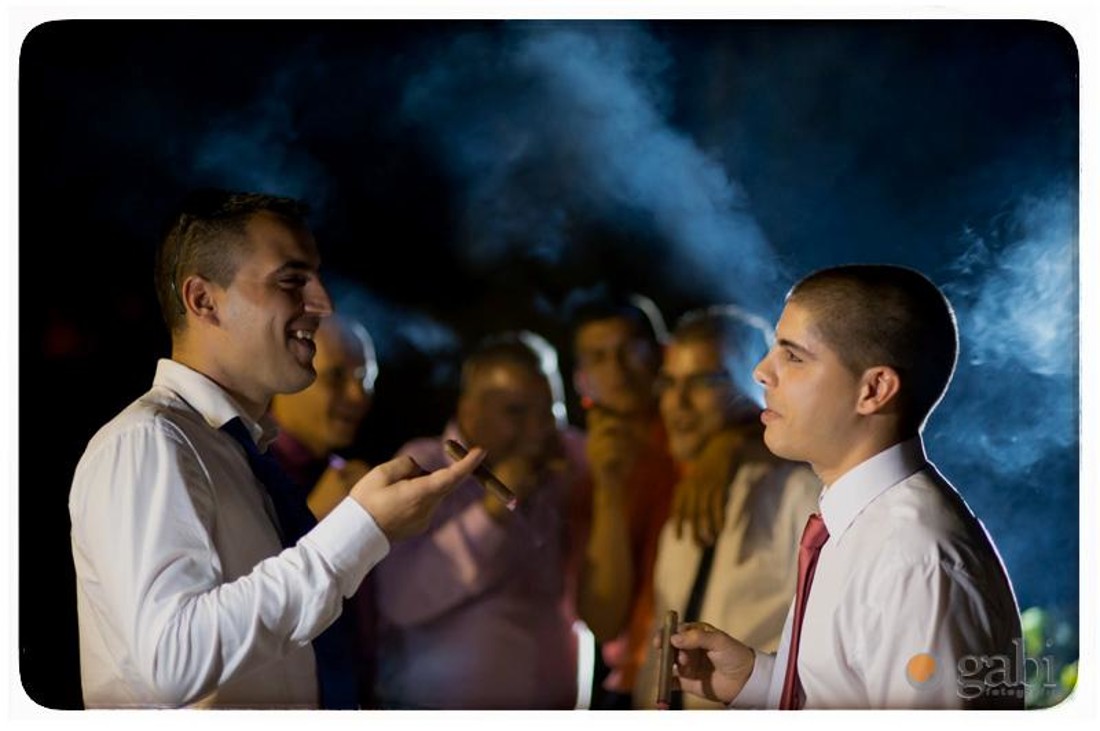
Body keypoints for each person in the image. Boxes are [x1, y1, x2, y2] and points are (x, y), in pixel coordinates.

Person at [68, 189, 484, 709]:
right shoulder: (148, 441)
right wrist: (362, 528)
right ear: (203, 300)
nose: (323, 304)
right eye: (292, 281)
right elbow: (172, 663)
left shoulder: (240, 453)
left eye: (316, 278)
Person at [669, 265, 1022, 710]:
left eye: (793, 357)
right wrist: (759, 681)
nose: (760, 372)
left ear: (874, 389)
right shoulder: (852, 522)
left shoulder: (912, 560)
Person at [371, 333, 591, 709]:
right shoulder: (422, 467)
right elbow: (401, 598)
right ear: (471, 411)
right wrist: (492, 511)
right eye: (516, 412)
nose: (538, 428)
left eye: (550, 410)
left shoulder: (565, 458)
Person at [632, 307, 819, 709]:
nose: (678, 402)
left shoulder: (801, 494)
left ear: (755, 386)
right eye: (669, 382)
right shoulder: (687, 492)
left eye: (702, 382)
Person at [567, 292, 679, 708]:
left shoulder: (703, 437)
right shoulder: (583, 468)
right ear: (581, 379)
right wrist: (610, 488)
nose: (616, 369)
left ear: (661, 354)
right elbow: (603, 620)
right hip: (636, 680)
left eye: (628, 350)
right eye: (598, 357)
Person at [270, 314, 378, 520]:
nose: (358, 395)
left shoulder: (343, 476)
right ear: (281, 378)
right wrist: (316, 517)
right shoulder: (238, 462)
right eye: (335, 376)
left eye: (366, 379)